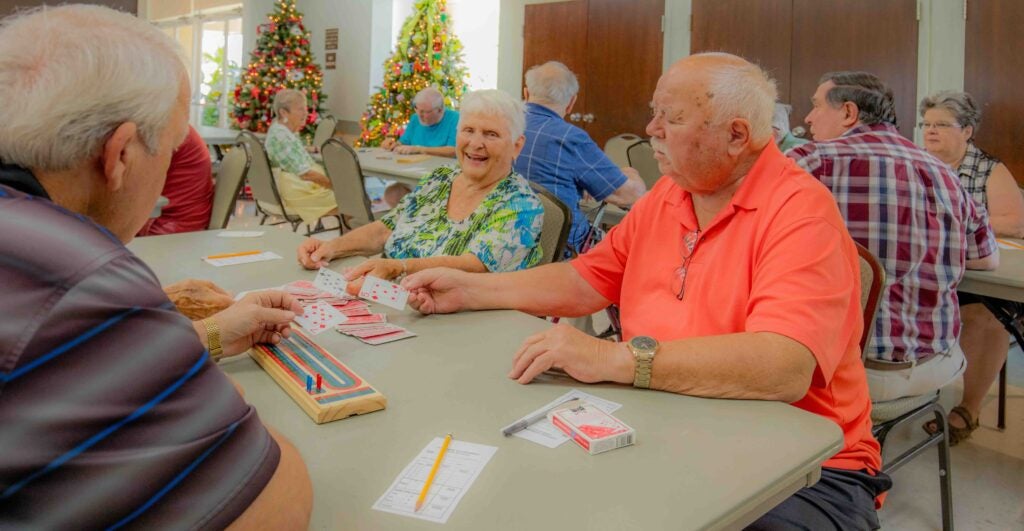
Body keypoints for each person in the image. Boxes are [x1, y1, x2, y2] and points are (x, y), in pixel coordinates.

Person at [401, 53, 889, 530]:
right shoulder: (671, 193)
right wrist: (470, 290)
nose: (651, 129)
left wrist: (613, 359)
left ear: (736, 135)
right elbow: (583, 278)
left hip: (808, 467)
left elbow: (784, 367)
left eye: (669, 118)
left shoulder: (801, 211)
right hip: (669, 418)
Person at [0, 5, 311, 528]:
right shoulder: (82, 276)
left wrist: (189, 337)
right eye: (168, 150)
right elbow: (273, 506)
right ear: (119, 155)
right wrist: (204, 395)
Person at [788, 73, 999, 437]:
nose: (808, 118)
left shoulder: (811, 160)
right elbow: (987, 258)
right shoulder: (945, 175)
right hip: (933, 364)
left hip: (846, 366)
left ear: (849, 112)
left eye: (816, 105)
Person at [297, 89, 543, 294]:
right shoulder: (440, 179)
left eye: (491, 134)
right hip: (390, 298)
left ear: (516, 146)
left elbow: (477, 264)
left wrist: (398, 267)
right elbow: (386, 228)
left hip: (453, 321)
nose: (476, 143)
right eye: (468, 130)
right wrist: (332, 247)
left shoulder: (521, 204)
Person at [918, 90, 1024, 443]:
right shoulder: (915, 163)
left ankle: (968, 408)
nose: (930, 132)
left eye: (942, 125)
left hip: (980, 279)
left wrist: (959, 222)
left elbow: (1013, 222)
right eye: (926, 124)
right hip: (929, 274)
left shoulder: (987, 169)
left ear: (967, 131)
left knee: (986, 315)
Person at [514, 61, 646, 255]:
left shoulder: (504, 129)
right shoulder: (570, 138)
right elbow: (630, 194)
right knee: (633, 252)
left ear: (525, 94)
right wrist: (629, 172)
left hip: (508, 242)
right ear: (571, 103)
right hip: (561, 250)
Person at [265, 88, 338, 225]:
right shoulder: (281, 136)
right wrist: (335, 186)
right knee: (352, 202)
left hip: (295, 187)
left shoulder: (279, 130)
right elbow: (306, 174)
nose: (305, 113)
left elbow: (288, 154)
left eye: (305, 108)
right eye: (300, 109)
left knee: (351, 200)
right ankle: (352, 244)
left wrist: (309, 149)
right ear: (283, 112)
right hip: (297, 191)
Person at [137, 125, 214, 236]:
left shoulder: (165, 133)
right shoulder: (177, 127)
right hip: (188, 218)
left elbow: (134, 184)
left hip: (173, 224)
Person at [381, 86, 458, 157]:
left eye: (424, 112)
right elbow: (404, 142)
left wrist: (419, 149)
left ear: (440, 110)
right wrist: (393, 145)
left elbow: (453, 151)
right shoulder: (415, 118)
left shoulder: (455, 118)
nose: (419, 115)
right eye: (417, 109)